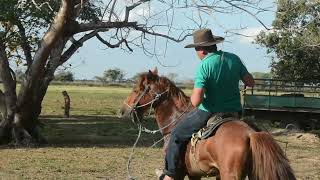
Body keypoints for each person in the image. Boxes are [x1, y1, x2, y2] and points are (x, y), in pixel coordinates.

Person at [159, 29, 255, 180]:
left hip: (210, 111)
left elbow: (197, 100)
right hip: (235, 112)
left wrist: (191, 101)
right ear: (214, 45)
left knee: (177, 133)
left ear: (201, 50)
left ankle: (170, 174)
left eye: (196, 49)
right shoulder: (234, 58)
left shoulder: (204, 65)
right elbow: (250, 82)